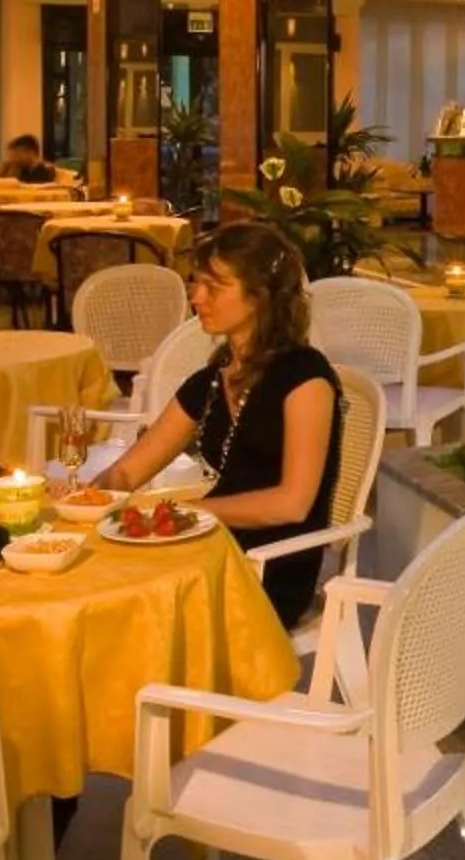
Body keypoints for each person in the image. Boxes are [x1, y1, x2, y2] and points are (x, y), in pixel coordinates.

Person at [88, 222, 340, 626]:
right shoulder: (211, 380)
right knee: (101, 576)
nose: (196, 297)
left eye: (213, 286)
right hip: (212, 546)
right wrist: (87, 501)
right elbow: (127, 470)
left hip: (269, 564)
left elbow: (292, 503)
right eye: (196, 284)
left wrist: (184, 512)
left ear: (259, 296)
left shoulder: (305, 376)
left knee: (125, 603)